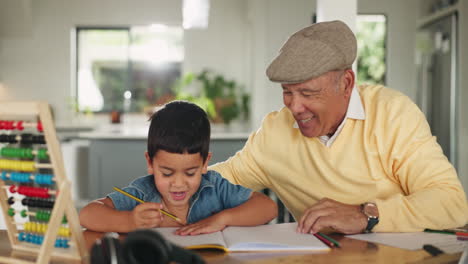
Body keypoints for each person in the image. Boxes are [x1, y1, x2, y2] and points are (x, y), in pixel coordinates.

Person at [210, 20, 468, 234]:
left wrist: (366, 215)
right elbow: (216, 181)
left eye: (308, 93)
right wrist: (173, 177)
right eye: (287, 92)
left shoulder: (392, 113)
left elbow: (451, 203)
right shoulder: (275, 132)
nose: (294, 106)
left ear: (346, 84)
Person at [79, 101, 277, 235]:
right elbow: (87, 214)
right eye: (167, 173)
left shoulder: (214, 187)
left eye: (190, 173)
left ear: (205, 163)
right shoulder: (142, 192)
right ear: (150, 163)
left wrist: (222, 218)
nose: (179, 184)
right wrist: (130, 221)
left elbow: (268, 207)